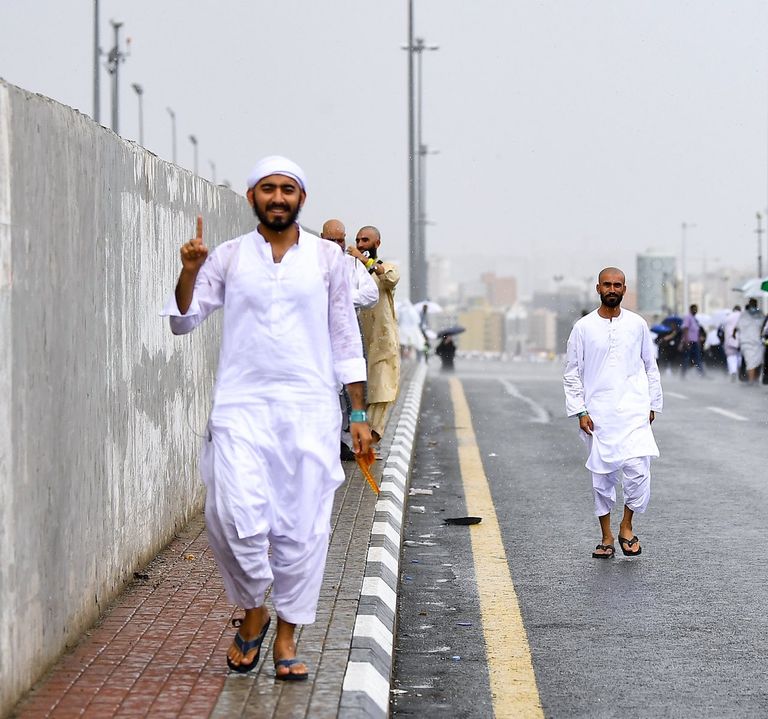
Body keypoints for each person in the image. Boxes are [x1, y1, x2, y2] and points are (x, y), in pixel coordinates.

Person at [161, 156, 371, 679]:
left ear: (302, 198)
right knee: (231, 517)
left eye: (288, 189)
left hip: (309, 411)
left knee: (303, 530)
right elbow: (183, 321)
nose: (278, 197)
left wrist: (359, 411)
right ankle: (254, 607)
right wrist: (188, 272)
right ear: (252, 196)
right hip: (240, 409)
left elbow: (345, 336)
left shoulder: (327, 260)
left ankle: (286, 636)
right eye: (268, 189)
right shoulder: (229, 257)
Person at [563, 267, 663, 559]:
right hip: (598, 415)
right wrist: (580, 410)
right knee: (602, 479)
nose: (612, 289)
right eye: (607, 284)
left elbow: (650, 366)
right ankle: (606, 536)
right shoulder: (582, 327)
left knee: (638, 473)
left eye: (617, 285)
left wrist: (653, 404)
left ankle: (626, 526)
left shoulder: (637, 324)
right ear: (598, 288)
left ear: (624, 289)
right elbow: (571, 373)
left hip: (634, 412)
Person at [320, 219, 378, 460]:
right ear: (322, 238)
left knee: (352, 386)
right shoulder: (308, 264)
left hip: (348, 333)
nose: (336, 245)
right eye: (331, 240)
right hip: (318, 334)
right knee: (328, 389)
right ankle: (331, 442)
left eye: (340, 240)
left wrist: (340, 297)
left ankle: (346, 440)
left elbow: (371, 295)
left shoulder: (353, 264)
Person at [349, 225, 401, 444]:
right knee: (362, 393)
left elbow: (390, 278)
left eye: (366, 240)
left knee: (381, 391)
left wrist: (364, 260)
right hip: (357, 342)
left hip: (382, 343)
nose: (361, 244)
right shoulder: (351, 270)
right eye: (358, 240)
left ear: (377, 244)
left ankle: (368, 440)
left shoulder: (385, 268)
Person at [736, 298, 766, 384]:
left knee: (758, 362)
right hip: (747, 342)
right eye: (752, 303)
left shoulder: (760, 314)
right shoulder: (744, 315)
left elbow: (763, 326)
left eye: (754, 303)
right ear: (749, 304)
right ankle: (751, 381)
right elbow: (739, 326)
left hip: (758, 343)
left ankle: (755, 380)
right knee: (751, 362)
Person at [680, 304, 704, 376]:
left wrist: (699, 340)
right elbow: (685, 329)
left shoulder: (694, 319)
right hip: (689, 341)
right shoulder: (688, 317)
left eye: (696, 309)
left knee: (697, 358)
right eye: (694, 309)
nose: (696, 311)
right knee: (686, 358)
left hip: (695, 341)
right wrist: (686, 341)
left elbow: (696, 331)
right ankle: (683, 375)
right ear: (691, 310)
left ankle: (702, 374)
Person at [723, 305, 741, 381]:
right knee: (740, 356)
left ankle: (733, 371)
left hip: (729, 339)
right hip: (741, 339)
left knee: (731, 357)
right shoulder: (743, 316)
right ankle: (739, 369)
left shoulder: (728, 317)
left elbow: (723, 328)